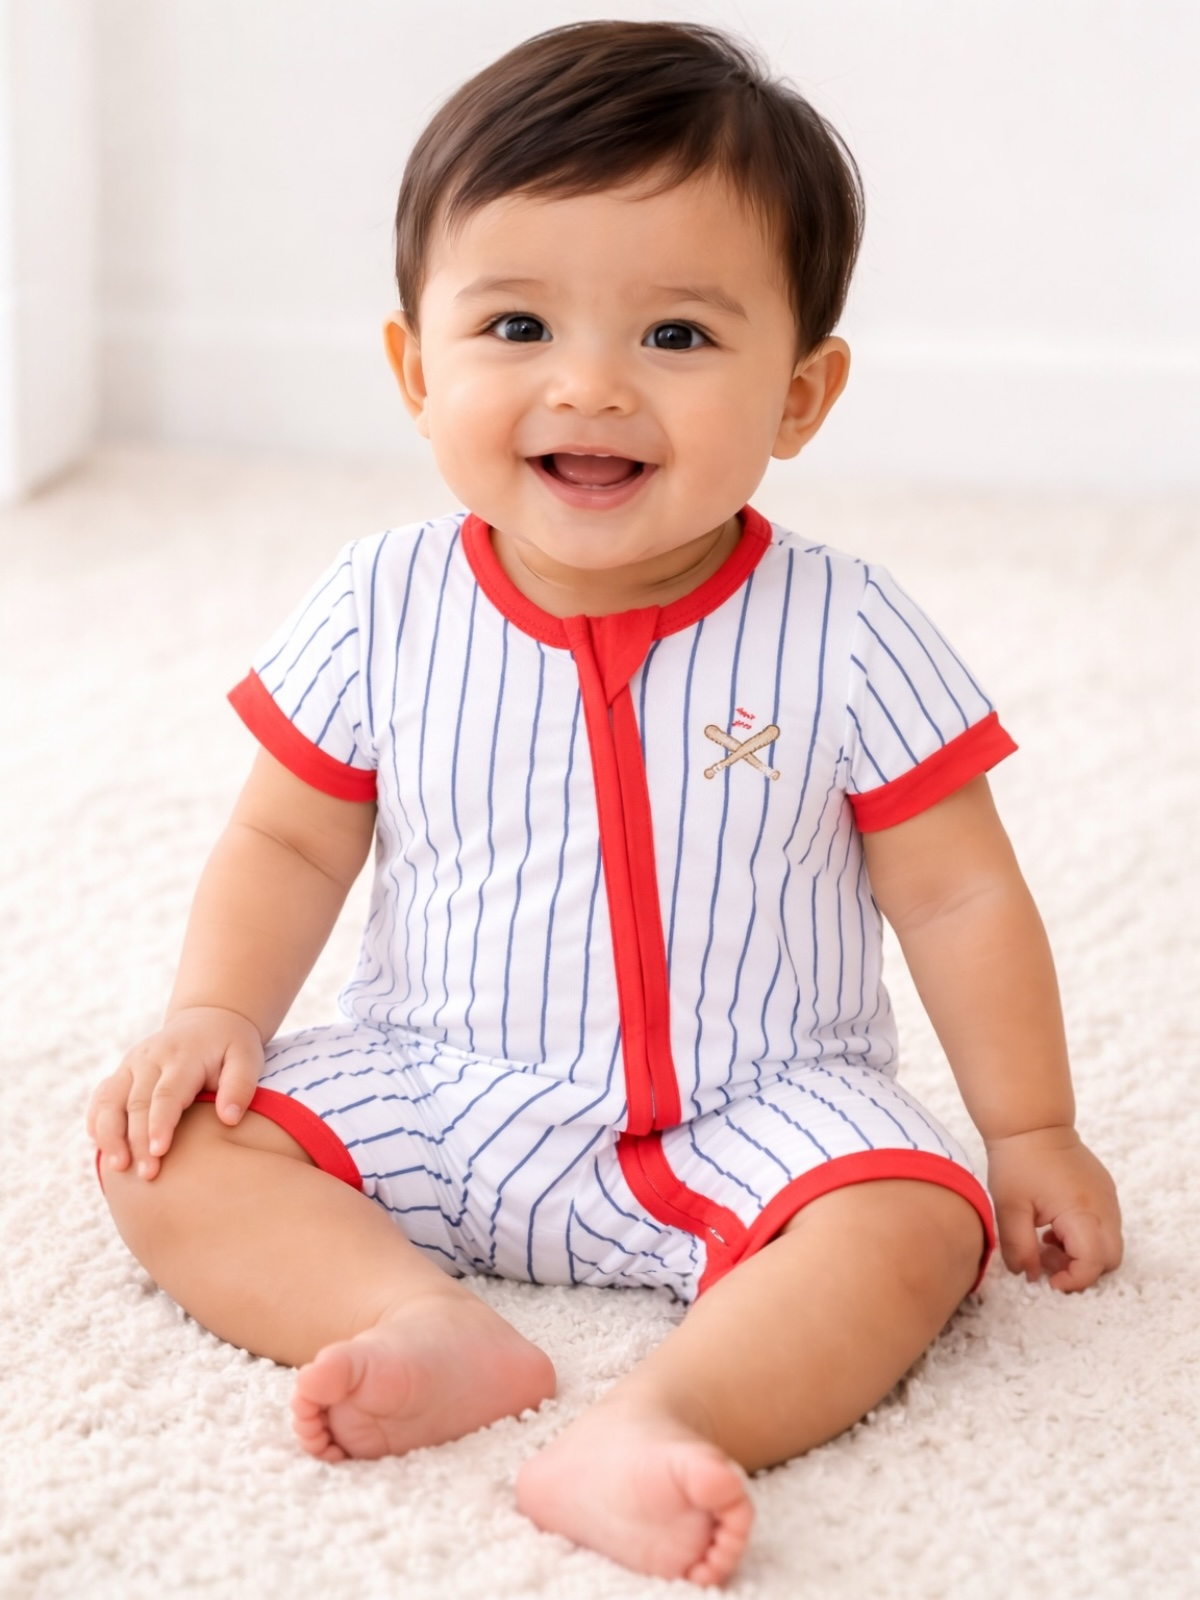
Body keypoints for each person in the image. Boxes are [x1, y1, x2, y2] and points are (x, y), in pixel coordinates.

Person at [88, 20, 1122, 1587]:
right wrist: (217, 1014)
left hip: (757, 1106)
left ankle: (663, 1419)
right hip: (432, 1085)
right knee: (163, 1153)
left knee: (914, 1222)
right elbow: (289, 835)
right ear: (415, 369)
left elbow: (960, 891)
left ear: (801, 395)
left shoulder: (847, 630)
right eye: (516, 324)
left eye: (678, 336)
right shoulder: (379, 604)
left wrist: (1027, 1129)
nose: (591, 385)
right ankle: (416, 1320)